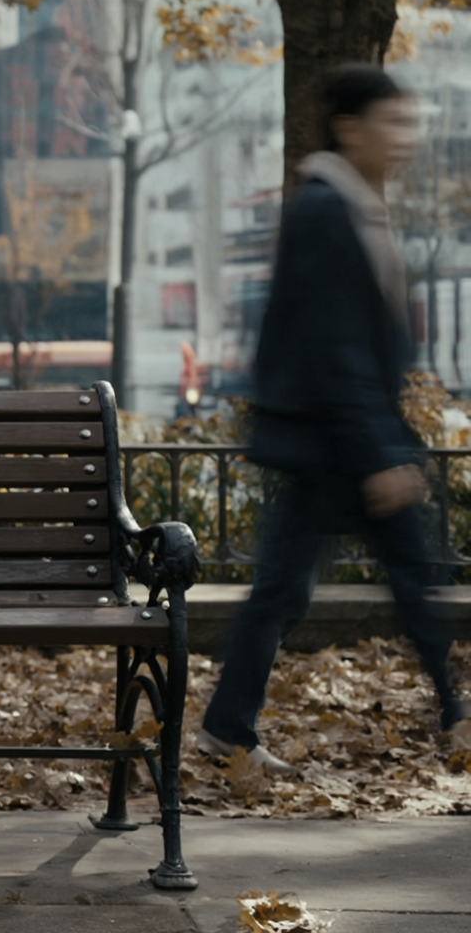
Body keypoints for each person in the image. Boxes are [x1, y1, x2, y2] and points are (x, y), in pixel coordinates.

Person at [200, 65, 462, 772]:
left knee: (302, 587)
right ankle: (456, 717)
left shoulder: (349, 205)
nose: (405, 138)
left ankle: (230, 725)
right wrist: (379, 453)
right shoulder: (326, 210)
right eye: (392, 122)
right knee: (399, 577)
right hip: (334, 445)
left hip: (333, 440)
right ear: (350, 128)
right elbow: (335, 343)